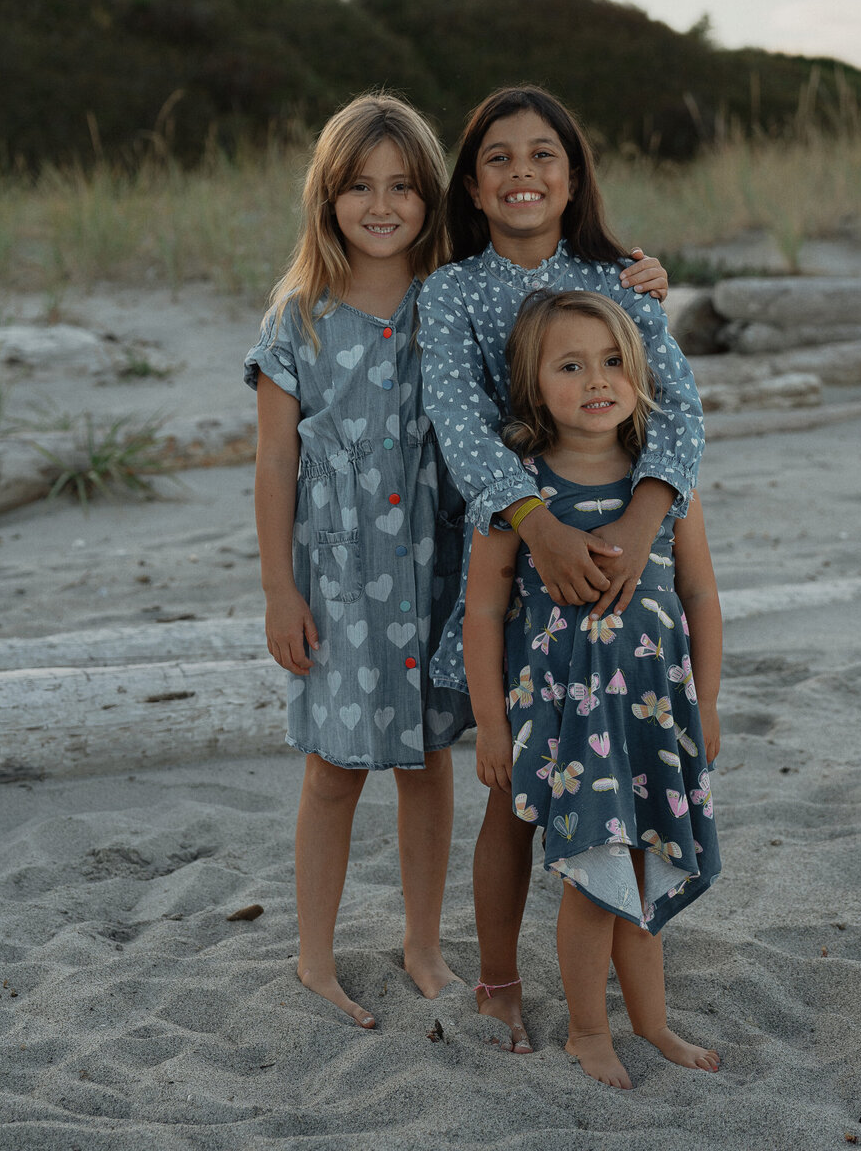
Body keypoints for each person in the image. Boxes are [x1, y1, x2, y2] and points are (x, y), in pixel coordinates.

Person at [418, 84, 705, 1051]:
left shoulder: (624, 282)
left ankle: (626, 993)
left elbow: (679, 409)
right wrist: (538, 525)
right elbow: (461, 424)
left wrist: (641, 518)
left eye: (544, 154)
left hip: (625, 545)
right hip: (521, 558)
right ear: (471, 182)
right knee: (514, 795)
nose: (522, 173)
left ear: (573, 174)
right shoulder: (449, 290)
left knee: (621, 798)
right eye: (497, 157)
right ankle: (499, 977)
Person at [246, 94, 473, 1031]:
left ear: (430, 197)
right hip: (336, 577)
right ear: (326, 197)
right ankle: (314, 954)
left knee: (426, 761)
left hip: (436, 569)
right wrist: (277, 591)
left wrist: (645, 279)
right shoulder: (298, 320)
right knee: (333, 768)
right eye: (358, 187)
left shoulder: (453, 300)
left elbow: (565, 300)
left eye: (404, 187)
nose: (381, 205)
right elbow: (272, 462)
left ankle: (423, 944)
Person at [464, 289, 721, 1088]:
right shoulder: (519, 494)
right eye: (570, 366)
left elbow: (702, 598)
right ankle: (586, 1031)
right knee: (594, 875)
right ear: (534, 386)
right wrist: (493, 729)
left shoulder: (664, 485)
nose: (597, 380)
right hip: (572, 727)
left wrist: (706, 703)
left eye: (613, 362)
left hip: (654, 721)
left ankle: (651, 1023)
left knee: (643, 874)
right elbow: (482, 611)